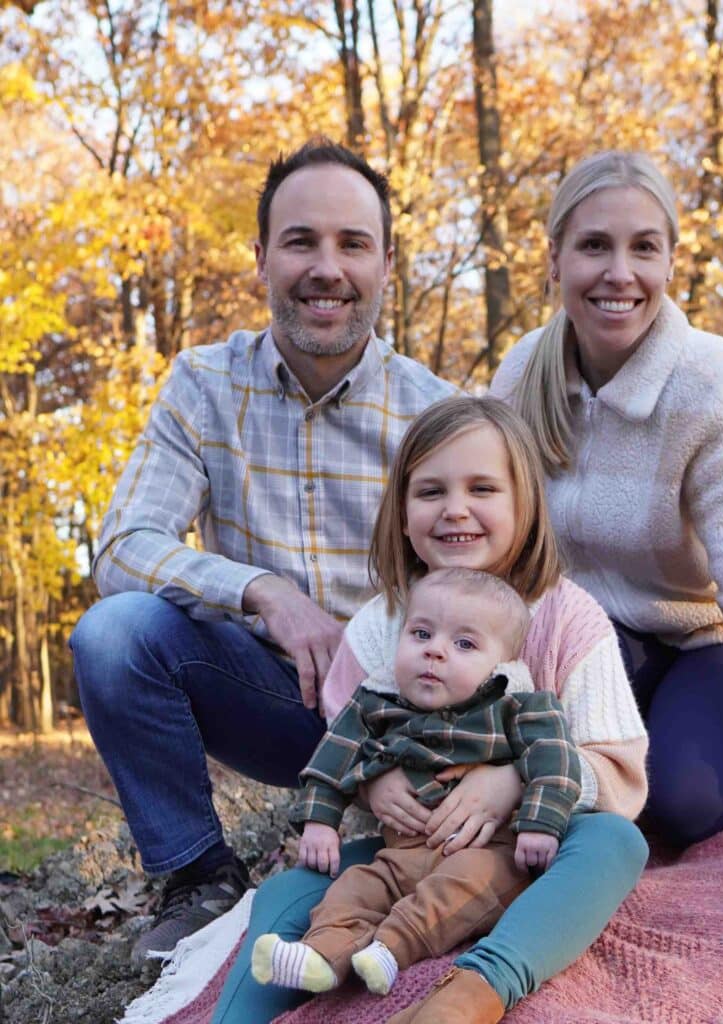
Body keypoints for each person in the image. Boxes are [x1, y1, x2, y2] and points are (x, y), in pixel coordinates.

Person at [68, 138, 454, 963]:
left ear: (386, 261)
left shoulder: (438, 412)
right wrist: (262, 591)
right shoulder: (205, 385)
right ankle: (199, 878)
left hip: (406, 710)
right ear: (261, 258)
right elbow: (123, 547)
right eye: (300, 241)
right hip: (267, 696)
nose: (327, 268)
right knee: (113, 633)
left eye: (353, 244)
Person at [211, 395, 649, 1024]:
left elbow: (622, 778)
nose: (456, 510)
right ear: (403, 512)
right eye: (431, 491)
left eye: (483, 488)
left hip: (526, 849)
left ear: (524, 506)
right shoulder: (378, 628)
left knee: (615, 841)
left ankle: (476, 991)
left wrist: (514, 782)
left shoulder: (566, 618)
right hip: (404, 853)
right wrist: (374, 780)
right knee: (287, 893)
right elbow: (344, 748)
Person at [490, 150, 723, 849]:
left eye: (643, 248)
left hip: (711, 635)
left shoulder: (712, 383)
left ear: (671, 262)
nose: (620, 274)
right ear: (554, 259)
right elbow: (488, 536)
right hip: (590, 637)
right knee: (505, 762)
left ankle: (713, 741)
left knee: (682, 803)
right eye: (594, 246)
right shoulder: (524, 370)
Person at [250, 567, 582, 999]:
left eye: (464, 644)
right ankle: (322, 955)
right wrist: (319, 820)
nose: (435, 652)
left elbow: (556, 760)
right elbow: (332, 759)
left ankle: (392, 947)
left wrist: (541, 822)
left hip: (485, 849)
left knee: (468, 886)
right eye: (421, 634)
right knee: (353, 887)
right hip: (400, 853)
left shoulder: (518, 706)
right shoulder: (376, 703)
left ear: (502, 663)